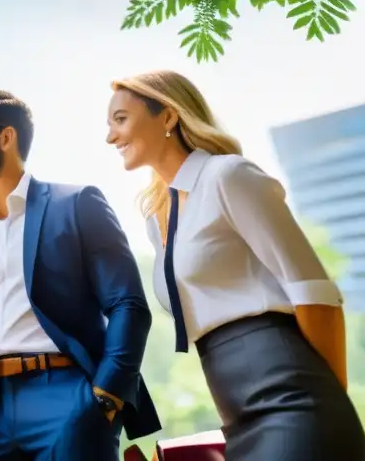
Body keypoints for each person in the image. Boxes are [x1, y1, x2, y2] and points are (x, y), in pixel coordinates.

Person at [107, 70, 365, 459]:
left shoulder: (227, 176)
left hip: (295, 401)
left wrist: (330, 402)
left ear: (168, 116)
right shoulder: (156, 216)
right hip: (235, 414)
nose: (111, 136)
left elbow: (316, 296)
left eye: (121, 119)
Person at [0, 88, 160, 460]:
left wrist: (106, 395)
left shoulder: (77, 204)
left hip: (69, 392)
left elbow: (128, 305)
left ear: (6, 137)